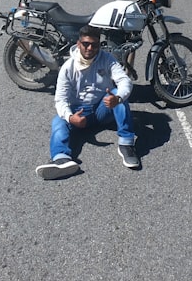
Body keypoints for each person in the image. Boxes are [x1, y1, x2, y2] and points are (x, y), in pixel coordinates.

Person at [36, 25, 140, 179]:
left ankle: (126, 144)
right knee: (58, 121)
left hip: (102, 109)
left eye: (94, 45)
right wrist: (71, 118)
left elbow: (124, 80)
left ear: (99, 45)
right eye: (86, 44)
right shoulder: (68, 67)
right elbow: (60, 99)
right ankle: (60, 159)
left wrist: (117, 99)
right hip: (79, 113)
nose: (90, 48)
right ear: (78, 44)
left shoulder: (106, 59)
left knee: (118, 94)